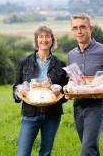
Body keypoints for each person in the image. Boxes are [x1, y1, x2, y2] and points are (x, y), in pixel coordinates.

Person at [67, 13, 103, 156]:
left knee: (87, 151)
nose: (79, 31)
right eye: (75, 28)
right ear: (72, 31)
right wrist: (68, 88)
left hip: (97, 106)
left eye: (83, 27)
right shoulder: (71, 54)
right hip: (78, 106)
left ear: (90, 28)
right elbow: (72, 79)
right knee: (91, 149)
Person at [13, 26, 68, 156]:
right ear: (36, 40)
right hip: (30, 114)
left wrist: (59, 93)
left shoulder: (61, 64)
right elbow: (15, 88)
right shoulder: (24, 63)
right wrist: (19, 93)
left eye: (47, 36)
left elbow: (65, 93)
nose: (44, 40)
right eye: (41, 37)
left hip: (52, 115)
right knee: (22, 153)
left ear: (52, 40)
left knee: (45, 153)